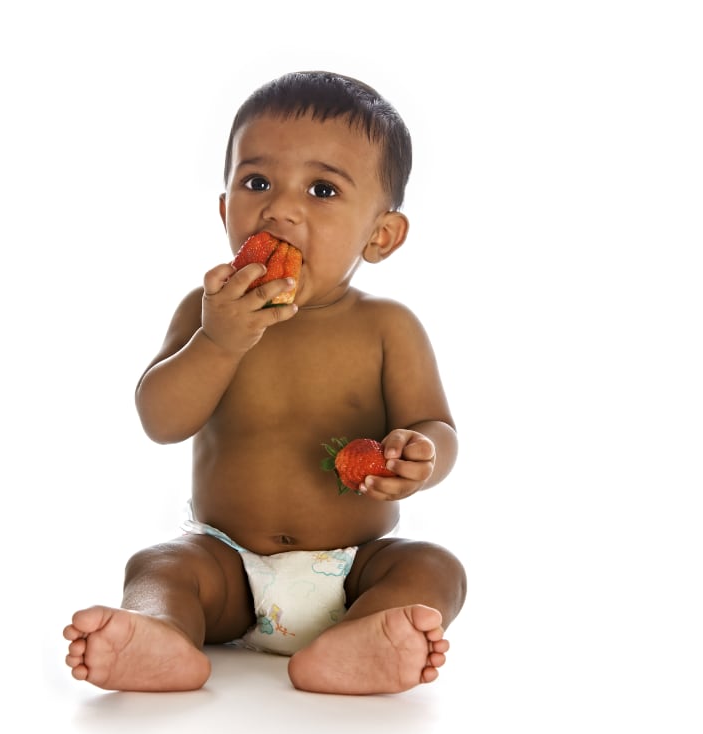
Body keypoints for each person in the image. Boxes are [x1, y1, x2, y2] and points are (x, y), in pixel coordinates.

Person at [62, 71, 466, 695]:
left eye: (323, 189)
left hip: (355, 565)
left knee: (435, 568)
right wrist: (217, 343)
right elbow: (160, 420)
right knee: (160, 565)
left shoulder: (389, 328)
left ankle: (359, 638)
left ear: (380, 235)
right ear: (225, 208)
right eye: (256, 183)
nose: (280, 208)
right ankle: (159, 633)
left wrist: (421, 455)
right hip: (227, 564)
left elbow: (433, 425)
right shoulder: (208, 312)